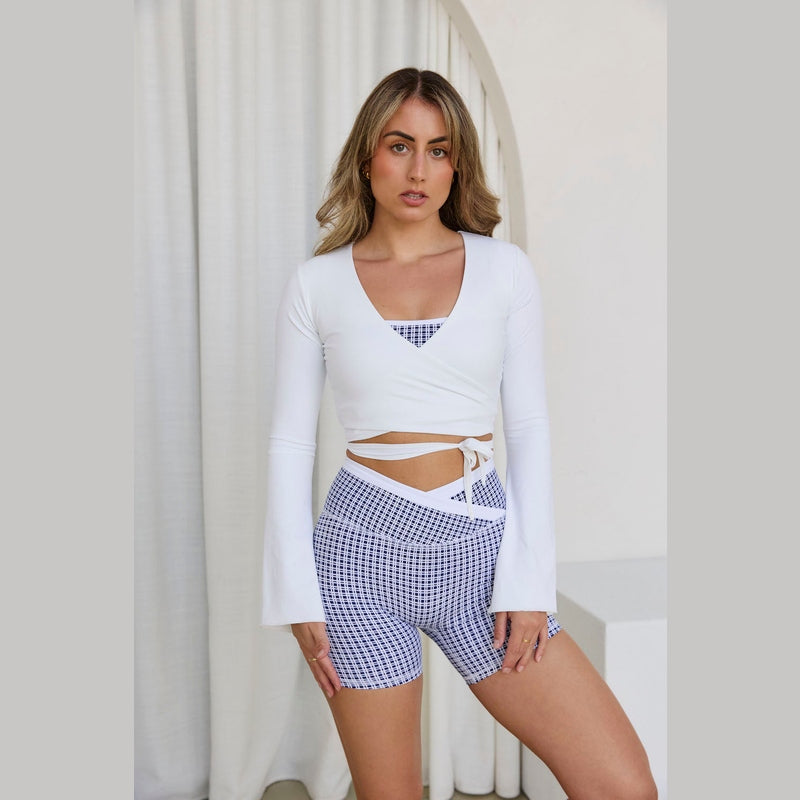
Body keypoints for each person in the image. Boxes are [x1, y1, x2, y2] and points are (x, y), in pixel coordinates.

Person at [262, 67, 657, 800]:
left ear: (457, 165)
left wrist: (529, 581)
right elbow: (289, 444)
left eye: (438, 150)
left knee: (621, 787)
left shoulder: (504, 272)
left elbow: (529, 429)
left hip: (479, 552)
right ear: (367, 158)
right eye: (400, 146)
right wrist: (295, 595)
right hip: (357, 560)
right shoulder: (317, 284)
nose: (419, 170)